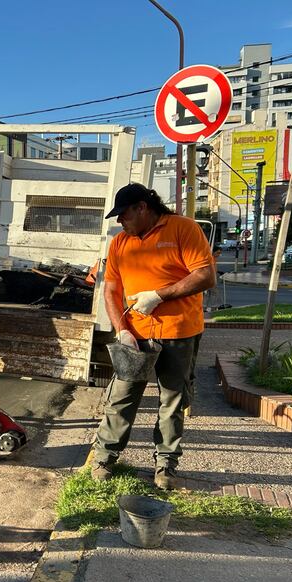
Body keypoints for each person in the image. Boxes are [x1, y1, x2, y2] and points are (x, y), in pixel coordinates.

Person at [91, 183, 215, 490]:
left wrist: (159, 295)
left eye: (124, 214)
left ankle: (165, 466)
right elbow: (111, 289)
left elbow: (205, 275)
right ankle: (105, 457)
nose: (120, 222)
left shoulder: (182, 229)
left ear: (143, 208)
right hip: (136, 334)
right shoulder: (120, 243)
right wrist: (121, 329)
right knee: (121, 397)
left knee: (172, 400)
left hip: (179, 331)